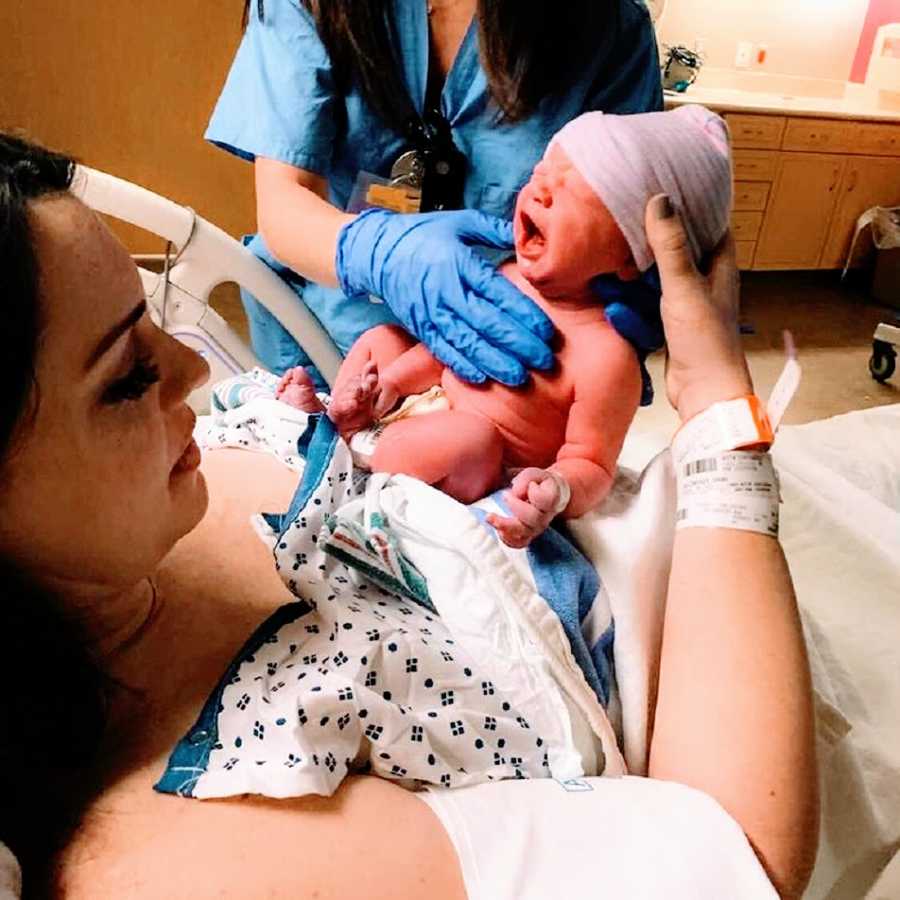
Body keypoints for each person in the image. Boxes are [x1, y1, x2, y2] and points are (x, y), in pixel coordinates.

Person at [0, 134, 818, 899]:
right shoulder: (198, 844)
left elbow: (582, 458)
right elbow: (730, 854)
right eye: (127, 374)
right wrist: (716, 406)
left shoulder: (138, 508)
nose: (191, 368)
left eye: (153, 320)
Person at [274, 106, 732, 547]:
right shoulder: (509, 274)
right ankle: (342, 416)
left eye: (571, 190)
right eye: (541, 173)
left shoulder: (606, 358)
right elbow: (446, 349)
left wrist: (557, 490)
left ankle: (345, 451)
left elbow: (591, 463)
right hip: (418, 405)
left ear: (633, 256)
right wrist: (389, 384)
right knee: (382, 340)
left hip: (475, 462)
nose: (539, 191)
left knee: (468, 438)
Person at [207, 0, 664, 388]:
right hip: (321, 334)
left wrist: (613, 320)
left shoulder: (606, 26)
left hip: (502, 356)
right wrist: (382, 253)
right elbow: (286, 201)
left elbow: (616, 226)